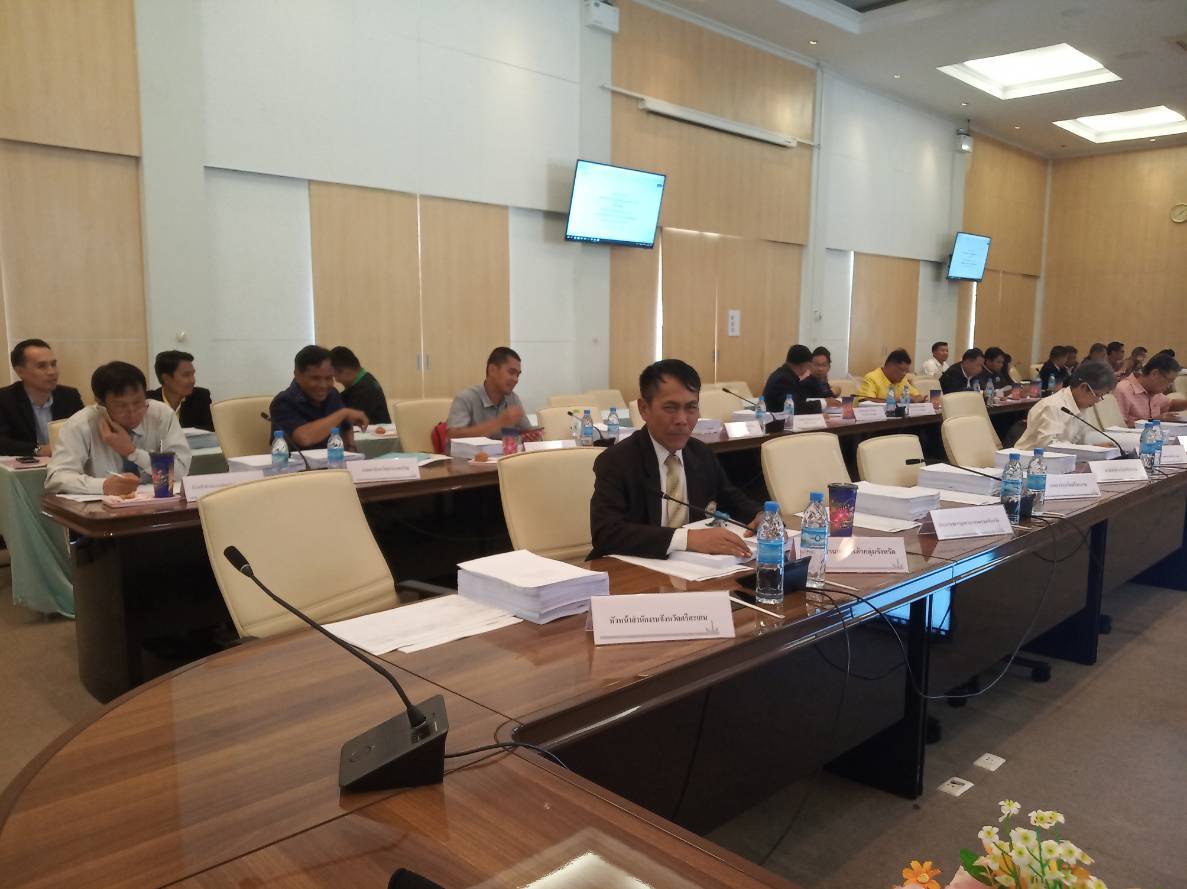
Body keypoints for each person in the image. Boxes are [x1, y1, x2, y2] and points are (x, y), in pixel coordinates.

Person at [589, 359, 761, 559]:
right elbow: (606, 533)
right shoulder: (617, 461)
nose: (681, 420)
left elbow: (734, 502)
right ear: (644, 409)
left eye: (691, 408)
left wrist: (762, 516)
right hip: (633, 567)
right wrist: (687, 539)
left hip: (694, 567)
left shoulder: (701, 454)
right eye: (670, 408)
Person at [46, 361, 191, 496]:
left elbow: (180, 471)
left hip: (157, 505)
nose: (132, 413)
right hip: (100, 510)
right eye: (121, 406)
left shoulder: (161, 415)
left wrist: (133, 453)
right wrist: (103, 486)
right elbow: (56, 478)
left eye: (138, 402)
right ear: (100, 404)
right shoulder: (81, 424)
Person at [270, 345, 366, 449]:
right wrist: (343, 413)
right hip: (298, 459)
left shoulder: (332, 394)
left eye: (328, 378)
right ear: (297, 375)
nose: (323, 385)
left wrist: (351, 447)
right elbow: (304, 438)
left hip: (334, 458)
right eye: (315, 378)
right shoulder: (282, 402)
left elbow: (346, 427)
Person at [0, 339, 84, 457]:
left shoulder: (70, 396)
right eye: (42, 366)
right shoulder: (5, 399)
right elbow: (3, 442)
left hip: (64, 463)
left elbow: (84, 433)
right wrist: (39, 450)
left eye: (53, 364)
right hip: (22, 466)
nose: (52, 372)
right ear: (20, 371)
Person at [1014, 361, 1117, 451]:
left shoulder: (1081, 406)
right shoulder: (1054, 406)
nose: (1098, 401)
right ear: (1083, 387)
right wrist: (1091, 449)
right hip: (1027, 461)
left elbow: (1079, 442)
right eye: (1097, 395)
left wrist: (1096, 449)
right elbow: (1049, 446)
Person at [447, 347, 532, 439]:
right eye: (511, 373)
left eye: (518, 375)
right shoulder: (465, 398)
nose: (516, 380)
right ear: (492, 370)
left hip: (505, 449)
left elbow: (527, 431)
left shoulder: (513, 398)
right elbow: (453, 436)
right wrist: (499, 422)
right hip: (472, 449)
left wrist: (534, 435)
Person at [1111, 353, 1187, 426]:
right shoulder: (1123, 390)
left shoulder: (1154, 391)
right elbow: (1118, 426)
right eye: (1169, 381)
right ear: (1155, 374)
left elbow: (1169, 405)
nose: (1169, 386)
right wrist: (1154, 421)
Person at [147, 350, 214, 431]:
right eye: (186, 375)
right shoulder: (148, 402)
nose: (192, 380)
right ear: (166, 379)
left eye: (193, 374)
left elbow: (209, 431)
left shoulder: (201, 397)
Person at [330, 346, 391, 425]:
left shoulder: (364, 390)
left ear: (346, 372)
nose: (336, 380)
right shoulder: (366, 379)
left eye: (335, 376)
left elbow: (345, 423)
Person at [761, 344, 823, 415]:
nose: (808, 369)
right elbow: (794, 408)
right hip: (777, 421)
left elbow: (800, 400)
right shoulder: (783, 380)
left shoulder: (785, 375)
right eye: (808, 366)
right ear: (803, 365)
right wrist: (823, 403)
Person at [856, 349, 925, 403]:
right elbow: (865, 401)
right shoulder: (872, 377)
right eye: (902, 370)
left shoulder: (903, 380)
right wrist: (896, 400)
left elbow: (918, 396)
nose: (904, 374)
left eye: (906, 371)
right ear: (890, 366)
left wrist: (917, 399)